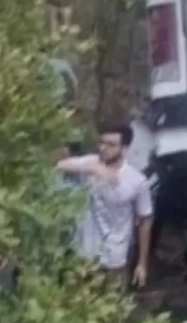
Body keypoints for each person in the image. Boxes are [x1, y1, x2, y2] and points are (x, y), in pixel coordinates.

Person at [56, 121, 153, 291]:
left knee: (112, 309)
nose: (104, 148)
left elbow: (145, 221)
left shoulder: (136, 181)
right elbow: (60, 165)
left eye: (111, 144)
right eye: (101, 142)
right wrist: (94, 169)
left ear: (124, 147)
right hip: (83, 256)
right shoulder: (91, 162)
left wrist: (142, 264)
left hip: (114, 259)